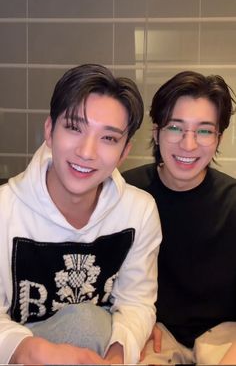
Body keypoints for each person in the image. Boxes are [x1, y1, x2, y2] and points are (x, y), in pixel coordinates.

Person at [0, 64, 162, 365]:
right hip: (21, 352)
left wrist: (117, 356)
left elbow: (136, 301)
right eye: (74, 127)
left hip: (97, 349)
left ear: (124, 151)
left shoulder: (139, 211)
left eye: (109, 138)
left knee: (90, 324)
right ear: (49, 130)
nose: (87, 152)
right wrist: (32, 350)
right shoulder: (5, 210)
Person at [123, 70, 236, 365]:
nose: (188, 145)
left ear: (218, 137)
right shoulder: (124, 194)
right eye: (175, 127)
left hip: (225, 334)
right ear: (156, 132)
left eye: (204, 130)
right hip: (153, 332)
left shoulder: (232, 201)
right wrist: (130, 327)